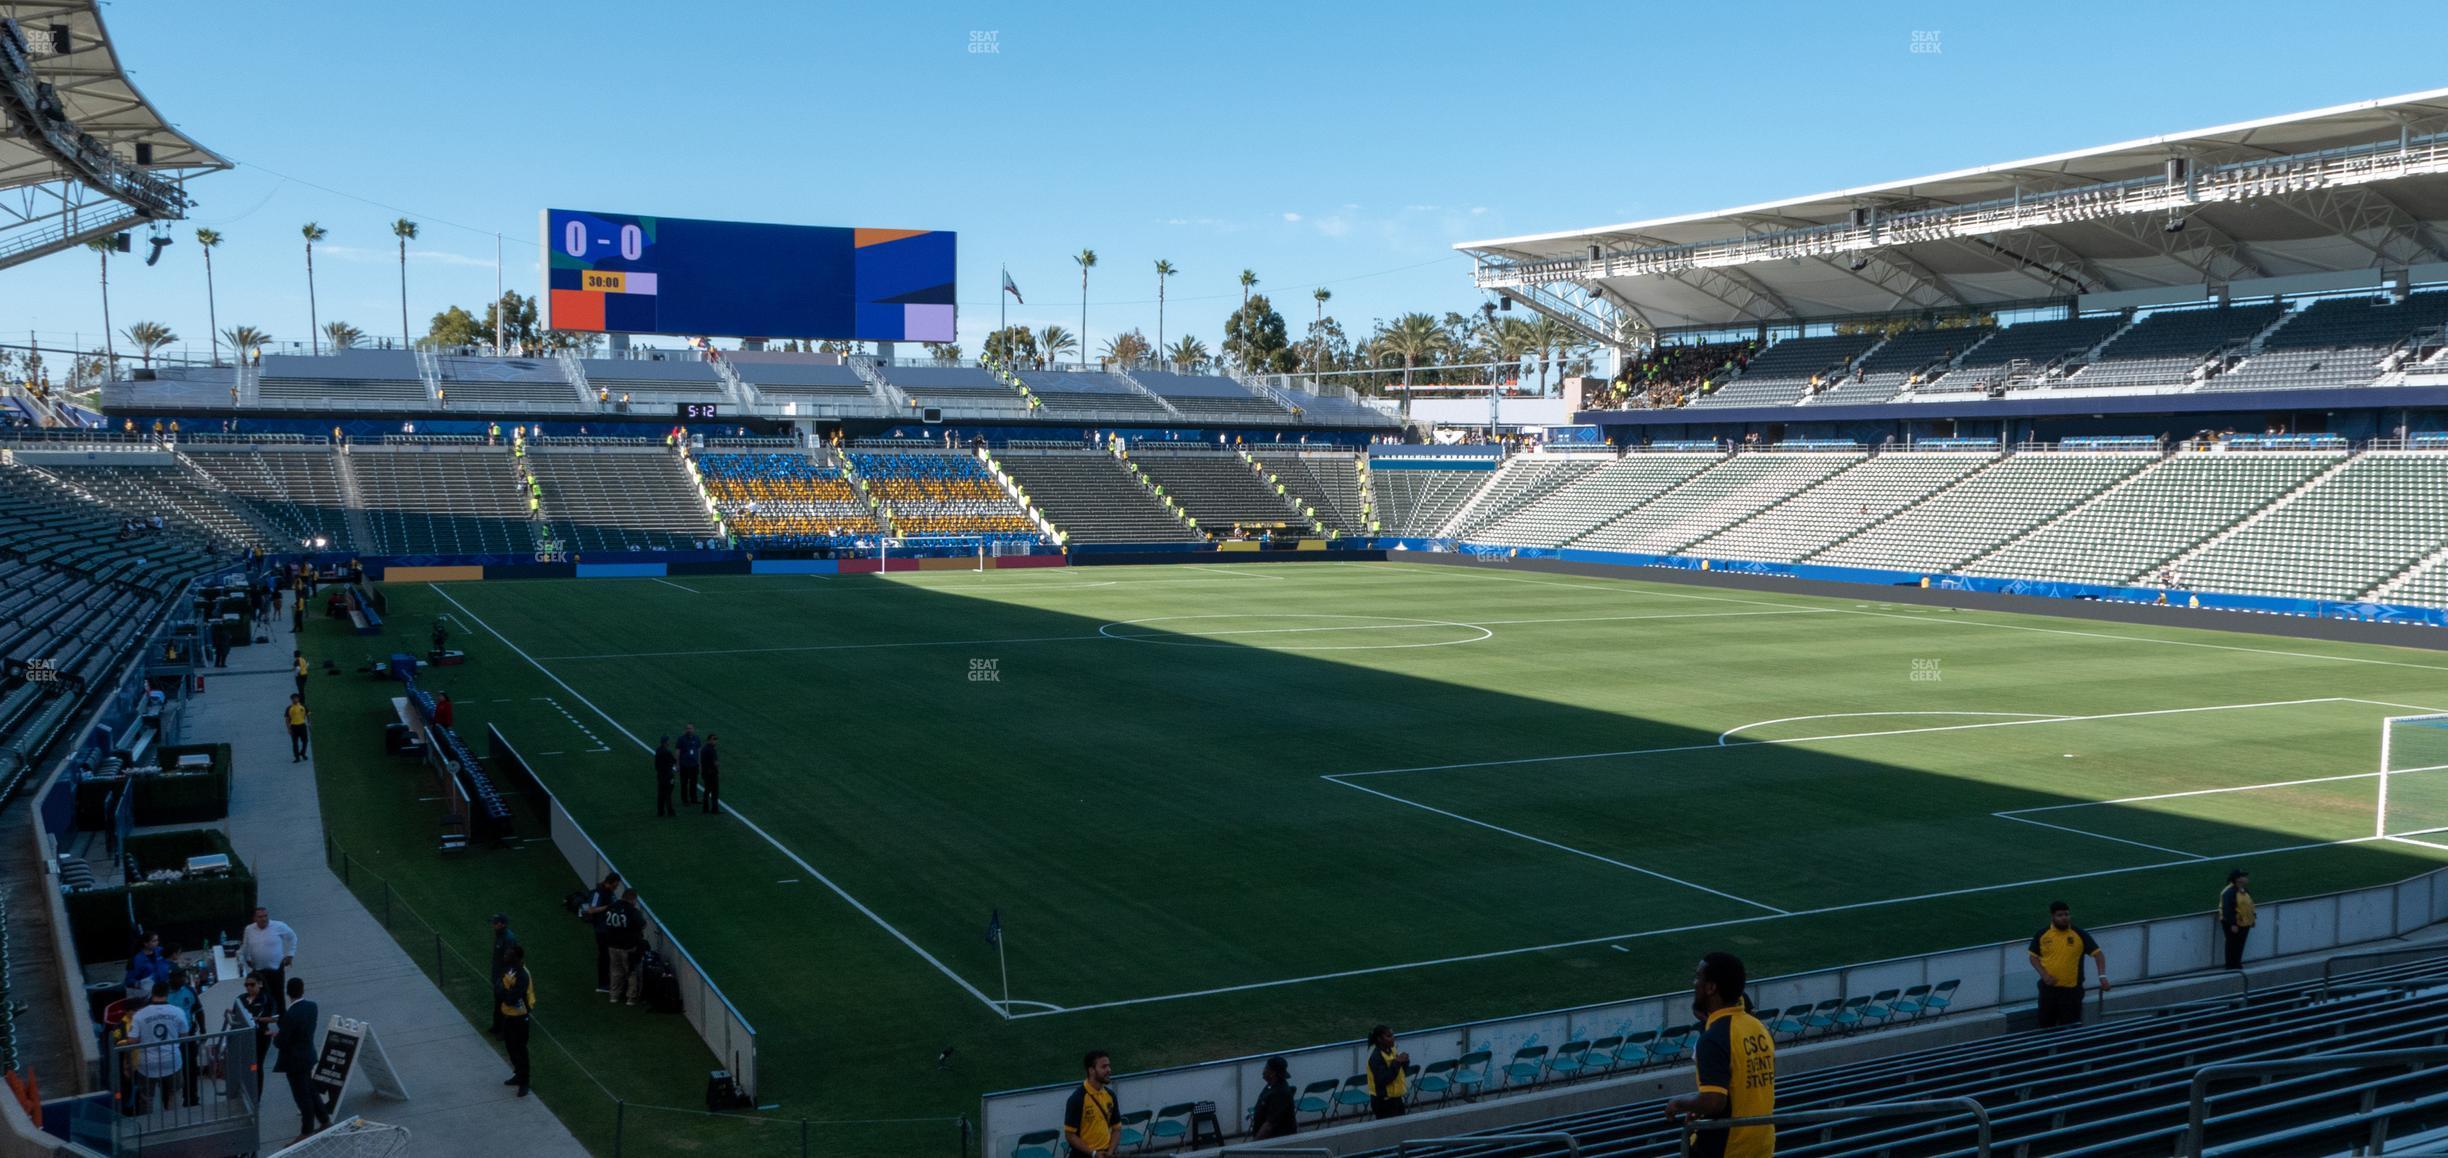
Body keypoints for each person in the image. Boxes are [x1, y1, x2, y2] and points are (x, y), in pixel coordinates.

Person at [1665, 952, 1775, 1158]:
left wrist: (1678, 1102)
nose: (1694, 983)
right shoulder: (1758, 1027)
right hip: (1762, 1145)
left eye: (1698, 977)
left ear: (1711, 987)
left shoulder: (1713, 1038)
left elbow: (1714, 1101)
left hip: (1727, 1148)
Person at [2028, 900, 2109, 1029]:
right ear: (2053, 917)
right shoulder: (2043, 934)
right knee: (2045, 1025)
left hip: (2071, 992)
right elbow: (2033, 957)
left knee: (2070, 1026)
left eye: (2066, 914)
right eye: (2060, 915)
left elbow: (2098, 955)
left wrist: (2102, 976)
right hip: (2048, 990)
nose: (2064, 918)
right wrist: (2043, 975)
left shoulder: (2079, 934)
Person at [272, 977, 327, 1141]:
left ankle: (307, 1130)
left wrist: (276, 1037)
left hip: (294, 1061)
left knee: (302, 1097)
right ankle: (324, 1120)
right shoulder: (312, 1007)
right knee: (311, 1090)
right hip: (307, 1055)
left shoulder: (290, 1015)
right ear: (302, 990)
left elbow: (281, 1042)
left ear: (288, 993)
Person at [126, 981, 189, 1115]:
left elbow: (132, 1040)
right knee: (175, 1094)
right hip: (172, 1060)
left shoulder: (140, 1015)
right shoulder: (178, 1012)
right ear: (167, 994)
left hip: (147, 1063)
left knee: (147, 1098)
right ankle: (175, 1123)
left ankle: (149, 1127)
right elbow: (184, 1034)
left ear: (152, 994)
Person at [1063, 1050, 1122, 1158]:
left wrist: (1110, 1152)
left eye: (1109, 1066)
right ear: (1091, 1070)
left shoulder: (1110, 1096)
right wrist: (1094, 1154)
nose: (1109, 1070)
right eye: (1104, 1067)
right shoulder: (1077, 1099)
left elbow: (1117, 1128)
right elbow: (1070, 1135)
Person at [495, 945, 535, 1097]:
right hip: (508, 1015)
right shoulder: (509, 969)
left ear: (516, 957)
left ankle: (524, 1082)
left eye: (508, 953)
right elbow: (498, 985)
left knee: (520, 1049)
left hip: (519, 1017)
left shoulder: (523, 975)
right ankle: (518, 1074)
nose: (505, 955)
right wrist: (503, 992)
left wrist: (503, 993)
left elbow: (511, 998)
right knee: (510, 1047)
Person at [226, 970, 275, 1093]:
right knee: (245, 1065)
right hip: (243, 1037)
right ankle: (246, 1091)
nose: (249, 987)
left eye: (252, 985)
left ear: (260, 984)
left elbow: (275, 1018)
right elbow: (236, 1015)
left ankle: (256, 1095)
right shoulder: (240, 999)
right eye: (246, 985)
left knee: (256, 1065)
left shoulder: (266, 999)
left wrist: (258, 1019)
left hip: (260, 1036)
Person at [241, 907, 298, 1010]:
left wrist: (290, 954)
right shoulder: (249, 929)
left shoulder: (278, 926)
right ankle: (264, 1020)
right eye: (260, 917)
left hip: (275, 969)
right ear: (254, 918)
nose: (263, 919)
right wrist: (247, 958)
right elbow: (245, 946)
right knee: (262, 996)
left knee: (278, 995)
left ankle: (281, 1019)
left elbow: (293, 937)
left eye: (265, 916)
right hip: (259, 970)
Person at [601, 888, 646, 1005]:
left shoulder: (612, 907)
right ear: (633, 899)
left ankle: (614, 996)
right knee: (631, 972)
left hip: (612, 945)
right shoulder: (632, 911)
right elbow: (642, 924)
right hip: (628, 947)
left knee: (615, 971)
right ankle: (630, 998)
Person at [580, 873, 622, 992]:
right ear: (609, 882)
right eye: (615, 886)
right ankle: (603, 984)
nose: (616, 888)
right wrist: (608, 907)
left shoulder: (608, 893)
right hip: (602, 930)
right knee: (604, 956)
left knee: (609, 955)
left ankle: (608, 982)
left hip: (609, 929)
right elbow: (591, 910)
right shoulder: (598, 893)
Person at [1364, 1024, 1409, 1119]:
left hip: (1396, 1098)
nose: (1393, 1038)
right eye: (1389, 1036)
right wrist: (1397, 1062)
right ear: (1379, 1039)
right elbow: (1383, 1080)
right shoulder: (1375, 1057)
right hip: (1383, 1102)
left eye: (1393, 1035)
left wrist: (1405, 1062)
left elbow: (1401, 1072)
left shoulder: (1392, 1049)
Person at [1250, 1055, 1298, 1140]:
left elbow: (1269, 1125)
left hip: (1276, 1141)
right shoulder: (1272, 1085)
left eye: (1266, 1068)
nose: (1263, 1070)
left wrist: (1254, 1143)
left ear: (1273, 1073)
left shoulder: (1279, 1093)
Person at [489, 914, 519, 1035]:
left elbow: (510, 960)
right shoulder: (500, 935)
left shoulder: (508, 939)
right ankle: (496, 1027)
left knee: (504, 1005)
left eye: (496, 923)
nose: (493, 925)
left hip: (504, 977)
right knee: (497, 1003)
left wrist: (505, 979)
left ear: (503, 924)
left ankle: (503, 1031)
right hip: (498, 975)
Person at [2220, 868, 2256, 970]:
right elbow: (2227, 909)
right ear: (2238, 879)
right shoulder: (2229, 892)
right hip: (2234, 923)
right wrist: (2233, 924)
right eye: (2244, 876)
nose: (2246, 878)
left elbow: (2250, 905)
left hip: (2244, 922)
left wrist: (2253, 918)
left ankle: (2237, 964)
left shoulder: (2243, 890)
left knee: (2240, 944)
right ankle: (2230, 966)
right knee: (2232, 944)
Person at [122, 932, 171, 1001]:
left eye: (157, 940)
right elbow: (129, 980)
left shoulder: (161, 951)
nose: (157, 942)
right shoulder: (137, 960)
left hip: (165, 989)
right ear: (146, 943)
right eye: (154, 941)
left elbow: (172, 959)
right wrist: (140, 984)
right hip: (150, 994)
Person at [674, 725, 702, 806]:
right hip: (684, 765)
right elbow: (677, 752)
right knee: (684, 783)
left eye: (691, 728)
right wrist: (677, 764)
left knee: (694, 782)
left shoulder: (697, 738)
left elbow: (699, 751)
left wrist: (700, 763)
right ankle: (685, 800)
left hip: (694, 765)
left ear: (694, 729)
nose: (689, 730)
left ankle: (694, 798)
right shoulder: (681, 739)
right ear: (685, 730)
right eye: (688, 728)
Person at [699, 733, 722, 815]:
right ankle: (714, 809)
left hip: (706, 773)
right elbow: (715, 762)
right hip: (712, 774)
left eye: (716, 739)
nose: (715, 741)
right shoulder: (711, 750)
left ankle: (705, 808)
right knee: (714, 792)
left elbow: (701, 762)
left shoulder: (704, 749)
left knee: (707, 791)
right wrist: (718, 769)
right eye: (714, 739)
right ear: (709, 740)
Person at [654, 739, 676, 818]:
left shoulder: (658, 750)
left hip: (660, 775)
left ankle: (660, 811)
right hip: (668, 776)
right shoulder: (667, 752)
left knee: (661, 794)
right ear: (666, 743)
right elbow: (674, 761)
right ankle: (670, 811)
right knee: (668, 794)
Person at [285, 695, 310, 762]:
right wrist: (288, 729)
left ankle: (302, 753)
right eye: (293, 699)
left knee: (305, 741)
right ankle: (297, 757)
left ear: (298, 699)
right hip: (294, 727)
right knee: (295, 743)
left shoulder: (303, 706)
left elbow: (308, 715)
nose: (295, 700)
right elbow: (287, 719)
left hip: (302, 726)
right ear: (291, 700)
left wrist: (309, 724)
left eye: (296, 698)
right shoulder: (289, 708)